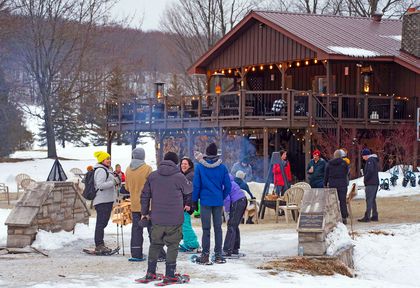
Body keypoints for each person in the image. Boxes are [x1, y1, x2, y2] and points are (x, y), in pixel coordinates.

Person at [140, 152, 192, 284]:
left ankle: (150, 272)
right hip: (174, 219)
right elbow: (188, 190)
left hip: (157, 218)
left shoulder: (153, 176)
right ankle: (169, 274)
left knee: (155, 244)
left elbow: (145, 195)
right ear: (176, 163)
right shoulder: (179, 177)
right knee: (173, 245)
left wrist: (144, 212)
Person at [192, 143, 231, 264]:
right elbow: (228, 186)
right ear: (216, 153)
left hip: (205, 201)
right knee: (218, 228)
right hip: (218, 201)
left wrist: (195, 200)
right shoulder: (222, 167)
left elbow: (196, 185)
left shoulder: (199, 167)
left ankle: (205, 256)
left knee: (206, 229)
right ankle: (218, 255)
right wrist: (221, 196)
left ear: (206, 153)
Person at [125, 147, 161, 262]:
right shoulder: (147, 168)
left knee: (136, 229)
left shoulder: (128, 169)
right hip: (148, 205)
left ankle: (136, 254)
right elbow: (154, 186)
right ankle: (159, 254)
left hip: (135, 204)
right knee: (152, 229)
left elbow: (126, 187)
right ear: (143, 156)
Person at [92, 151, 116, 254]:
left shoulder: (106, 170)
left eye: (109, 158)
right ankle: (99, 245)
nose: (109, 160)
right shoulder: (101, 170)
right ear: (102, 160)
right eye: (107, 159)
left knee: (103, 223)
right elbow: (100, 185)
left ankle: (100, 244)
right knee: (101, 223)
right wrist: (113, 182)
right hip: (102, 201)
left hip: (106, 200)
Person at [179, 157, 200, 252]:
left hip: (186, 204)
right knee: (184, 224)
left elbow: (191, 191)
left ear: (190, 165)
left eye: (185, 164)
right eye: (182, 164)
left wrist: (187, 204)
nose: (183, 165)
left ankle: (192, 243)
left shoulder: (190, 176)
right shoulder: (185, 175)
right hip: (185, 203)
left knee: (185, 225)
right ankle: (188, 242)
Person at [223, 174, 247, 256]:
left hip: (237, 202)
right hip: (243, 200)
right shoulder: (231, 181)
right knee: (234, 225)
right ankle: (234, 248)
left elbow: (227, 199)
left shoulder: (224, 183)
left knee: (231, 225)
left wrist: (227, 211)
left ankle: (227, 249)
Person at [324, 149, 349, 224]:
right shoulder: (344, 163)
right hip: (342, 184)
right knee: (342, 201)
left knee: (333, 202)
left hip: (333, 184)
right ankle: (344, 217)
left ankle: (333, 217)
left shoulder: (329, 164)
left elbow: (326, 175)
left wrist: (325, 184)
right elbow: (346, 173)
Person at [358, 148, 380, 222]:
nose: (362, 157)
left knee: (369, 200)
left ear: (366, 155)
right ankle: (374, 215)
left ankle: (367, 217)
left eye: (363, 155)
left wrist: (365, 179)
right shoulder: (374, 160)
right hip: (375, 183)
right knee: (372, 199)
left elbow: (370, 171)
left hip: (371, 183)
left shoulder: (370, 160)